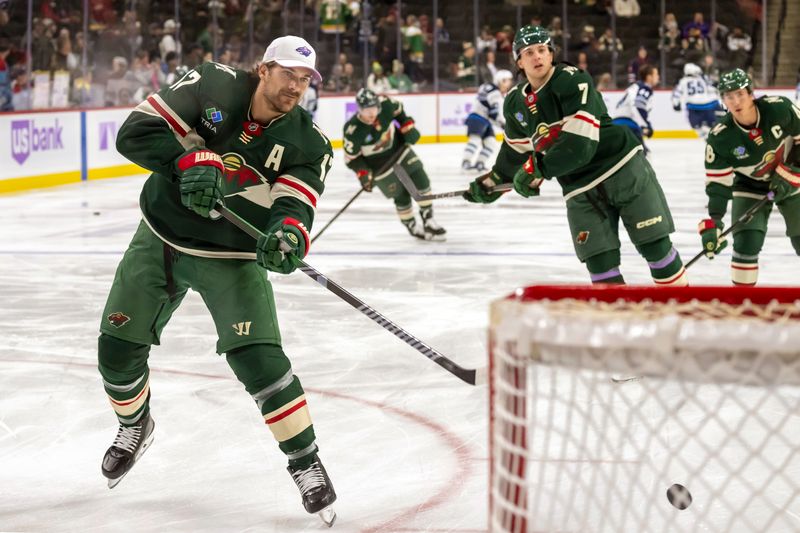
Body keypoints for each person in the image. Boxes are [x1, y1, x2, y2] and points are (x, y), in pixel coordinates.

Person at [97, 35, 338, 525]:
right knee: (116, 351)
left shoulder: (309, 143)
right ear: (262, 68)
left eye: (304, 79)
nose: (295, 86)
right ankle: (134, 425)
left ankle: (305, 461)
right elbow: (135, 133)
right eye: (287, 73)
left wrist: (288, 236)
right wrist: (185, 160)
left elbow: (295, 208)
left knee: (262, 364)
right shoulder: (212, 84)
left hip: (233, 256)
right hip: (161, 236)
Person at [463, 26, 688, 286]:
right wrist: (493, 182)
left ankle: (681, 315)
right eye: (529, 52)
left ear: (551, 54)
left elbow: (580, 146)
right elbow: (515, 151)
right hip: (579, 188)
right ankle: (620, 325)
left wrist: (539, 169)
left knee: (656, 249)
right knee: (600, 265)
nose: (537, 57)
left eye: (542, 50)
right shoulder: (514, 102)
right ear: (519, 61)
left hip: (622, 168)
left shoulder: (572, 79)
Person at [700, 68, 800, 286]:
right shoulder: (720, 137)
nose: (736, 101)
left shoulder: (779, 108)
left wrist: (794, 171)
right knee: (746, 242)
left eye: (740, 94)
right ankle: (741, 301)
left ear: (751, 94)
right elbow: (718, 184)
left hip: (792, 177)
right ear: (723, 101)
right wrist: (715, 222)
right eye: (729, 96)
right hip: (749, 185)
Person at [343, 88, 446, 240]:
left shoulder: (387, 104)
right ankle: (411, 225)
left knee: (421, 180)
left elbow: (400, 113)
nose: (371, 113)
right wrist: (363, 174)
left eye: (374, 108)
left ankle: (428, 218)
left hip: (400, 151)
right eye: (366, 110)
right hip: (380, 168)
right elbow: (352, 159)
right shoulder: (353, 130)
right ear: (359, 109)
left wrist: (407, 127)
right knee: (401, 196)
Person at [461, 69, 514, 171]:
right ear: (501, 80)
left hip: (483, 120)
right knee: (475, 140)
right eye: (508, 81)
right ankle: (466, 162)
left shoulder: (486, 86)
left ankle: (479, 163)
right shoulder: (496, 94)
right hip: (478, 119)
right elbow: (494, 113)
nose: (509, 84)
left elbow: (489, 111)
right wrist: (504, 125)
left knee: (491, 143)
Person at [612, 64, 659, 155]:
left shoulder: (635, 87)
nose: (658, 77)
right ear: (649, 77)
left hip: (615, 124)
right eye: (656, 74)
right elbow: (638, 107)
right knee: (642, 157)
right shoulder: (644, 89)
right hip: (628, 125)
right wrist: (646, 126)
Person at [671, 62, 722, 140]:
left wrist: (676, 104)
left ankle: (705, 136)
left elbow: (676, 94)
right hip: (708, 105)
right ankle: (714, 135)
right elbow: (712, 88)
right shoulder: (702, 79)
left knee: (695, 126)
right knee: (714, 123)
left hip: (693, 106)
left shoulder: (683, 81)